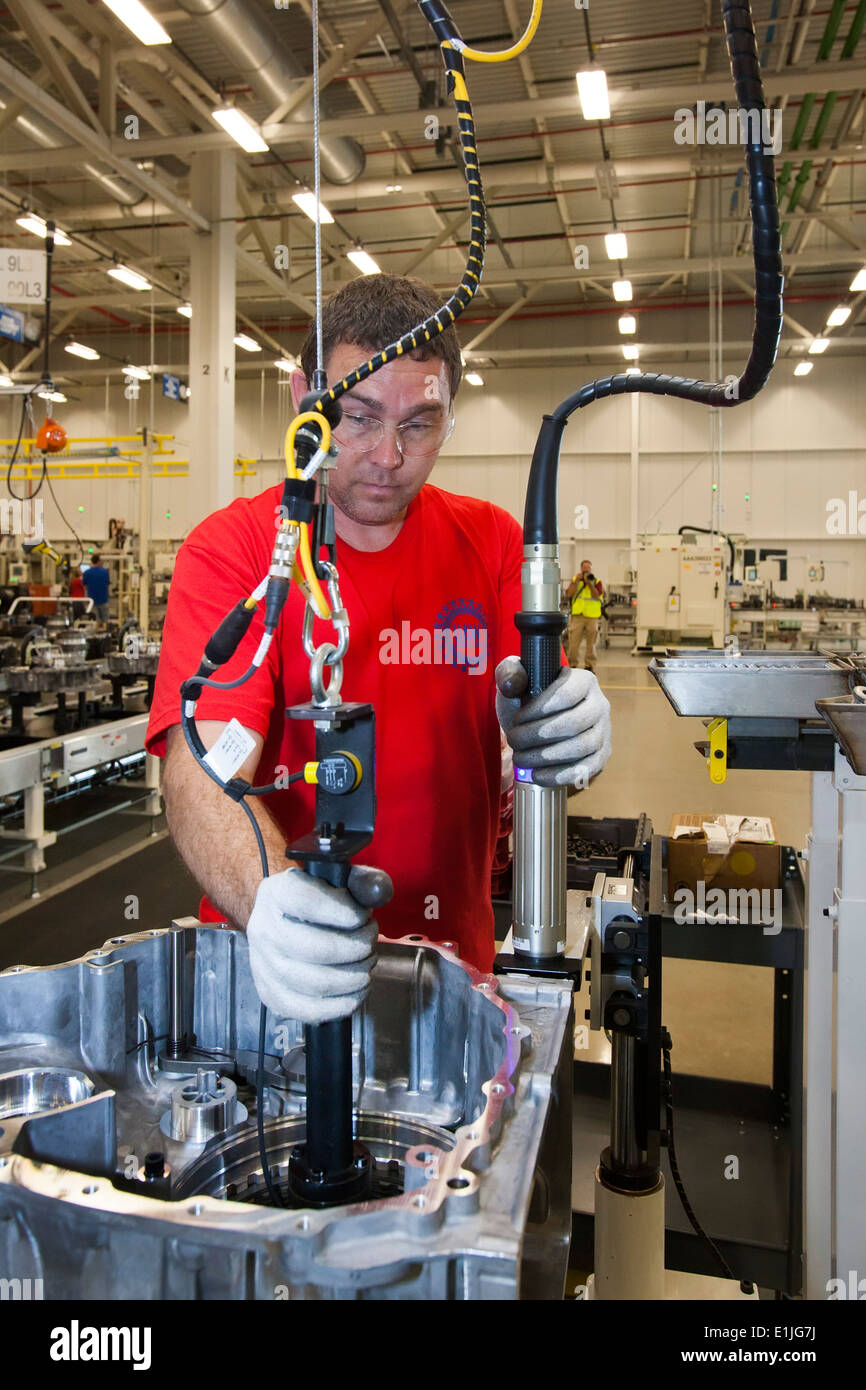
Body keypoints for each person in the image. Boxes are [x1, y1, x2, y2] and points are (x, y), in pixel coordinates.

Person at [146, 275, 611, 1025]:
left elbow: (523, 750)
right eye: (358, 418)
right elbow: (202, 768)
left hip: (450, 976)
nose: (388, 456)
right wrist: (269, 899)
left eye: (420, 424)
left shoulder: (491, 545)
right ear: (306, 397)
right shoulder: (236, 554)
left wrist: (555, 738)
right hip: (274, 972)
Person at [566, 559, 603, 671]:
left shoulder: (596, 582)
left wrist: (589, 584)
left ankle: (589, 666)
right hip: (578, 616)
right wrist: (576, 581)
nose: (586, 569)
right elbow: (568, 594)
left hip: (592, 617)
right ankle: (572, 665)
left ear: (591, 569)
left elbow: (597, 596)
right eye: (584, 567)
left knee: (591, 644)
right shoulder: (575, 580)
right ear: (581, 569)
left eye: (588, 567)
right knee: (573, 643)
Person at [82, 554, 110, 622]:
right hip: (104, 600)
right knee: (105, 621)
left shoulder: (87, 573)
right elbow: (107, 583)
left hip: (92, 601)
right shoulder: (105, 572)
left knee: (95, 621)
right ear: (99, 561)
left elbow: (84, 585)